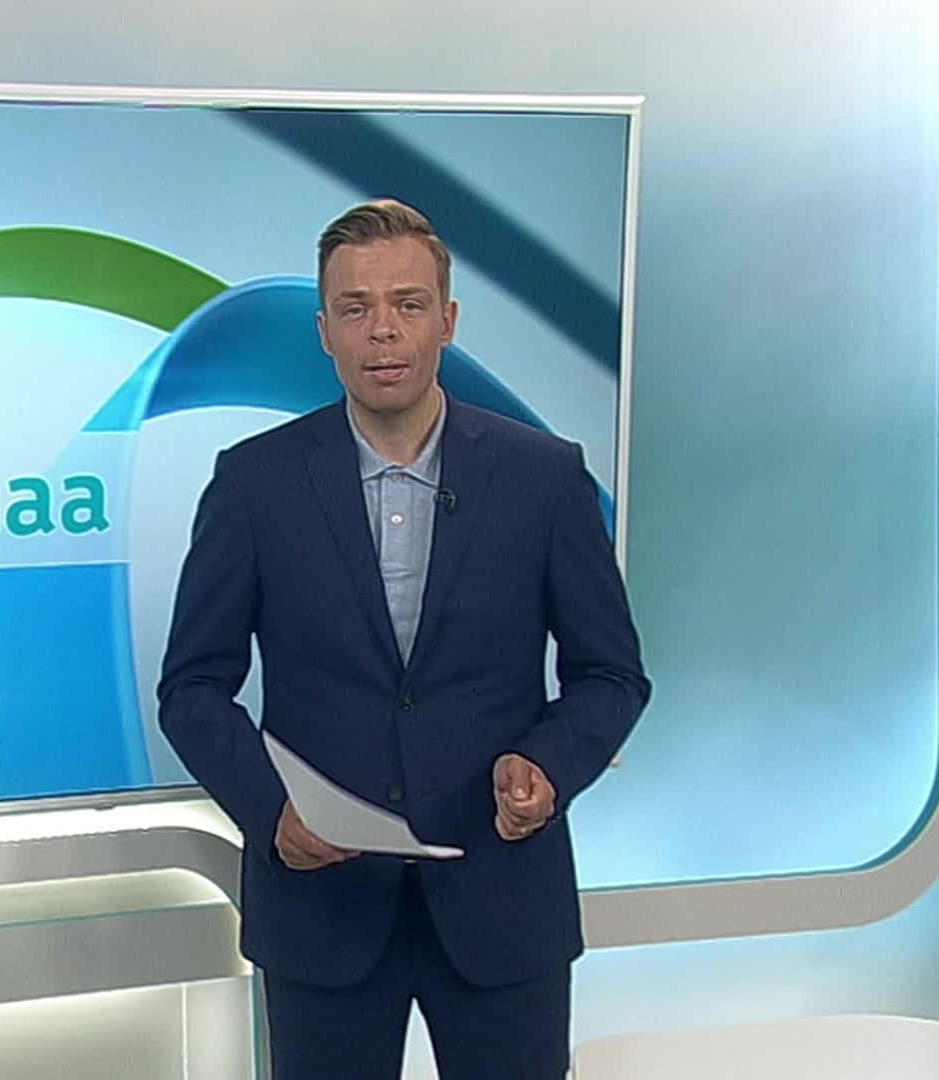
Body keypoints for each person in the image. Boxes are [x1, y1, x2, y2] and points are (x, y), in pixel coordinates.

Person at [157, 199, 650, 1080]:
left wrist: (548, 768)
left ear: (447, 321)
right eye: (355, 309)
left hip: (502, 904)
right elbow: (192, 688)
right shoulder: (254, 484)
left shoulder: (544, 477)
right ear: (324, 332)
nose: (382, 331)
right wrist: (272, 814)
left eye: (408, 305)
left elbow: (610, 674)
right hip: (323, 912)